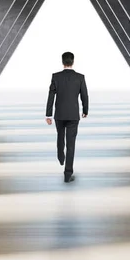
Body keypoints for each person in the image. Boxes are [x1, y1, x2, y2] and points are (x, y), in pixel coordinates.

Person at [45, 52, 89, 183]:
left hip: (59, 114)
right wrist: (85, 110)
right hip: (73, 115)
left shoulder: (55, 77)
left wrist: (48, 114)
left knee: (60, 136)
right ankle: (68, 174)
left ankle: (60, 156)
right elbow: (85, 96)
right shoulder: (80, 77)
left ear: (62, 62)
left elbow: (51, 96)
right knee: (71, 144)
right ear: (73, 62)